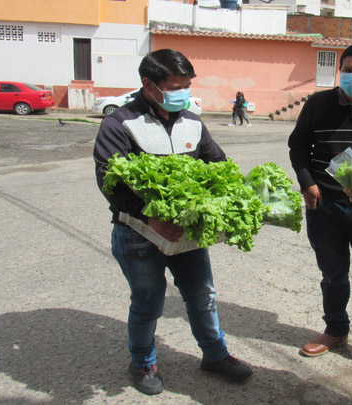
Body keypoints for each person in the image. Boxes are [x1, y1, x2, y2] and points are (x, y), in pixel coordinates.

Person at [93, 49, 252, 396]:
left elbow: (217, 164)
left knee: (202, 294)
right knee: (148, 301)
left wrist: (232, 200)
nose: (182, 92)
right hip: (137, 231)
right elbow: (110, 181)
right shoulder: (119, 123)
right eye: (175, 86)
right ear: (149, 85)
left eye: (186, 85)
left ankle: (215, 354)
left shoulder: (192, 122)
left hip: (186, 233)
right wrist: (149, 215)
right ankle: (143, 361)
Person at [288, 43, 352, 359]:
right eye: (347, 69)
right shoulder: (319, 103)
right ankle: (336, 330)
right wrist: (307, 184)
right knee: (332, 275)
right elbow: (299, 146)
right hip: (325, 207)